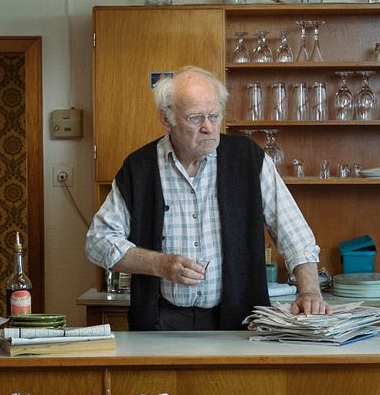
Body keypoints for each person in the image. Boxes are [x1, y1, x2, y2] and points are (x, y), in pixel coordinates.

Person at [86, 65, 328, 330]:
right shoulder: (139, 168)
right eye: (195, 118)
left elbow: (294, 234)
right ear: (167, 119)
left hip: (240, 322)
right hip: (160, 323)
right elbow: (98, 241)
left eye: (215, 115)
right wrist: (160, 264)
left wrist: (309, 291)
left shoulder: (247, 159)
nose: (209, 127)